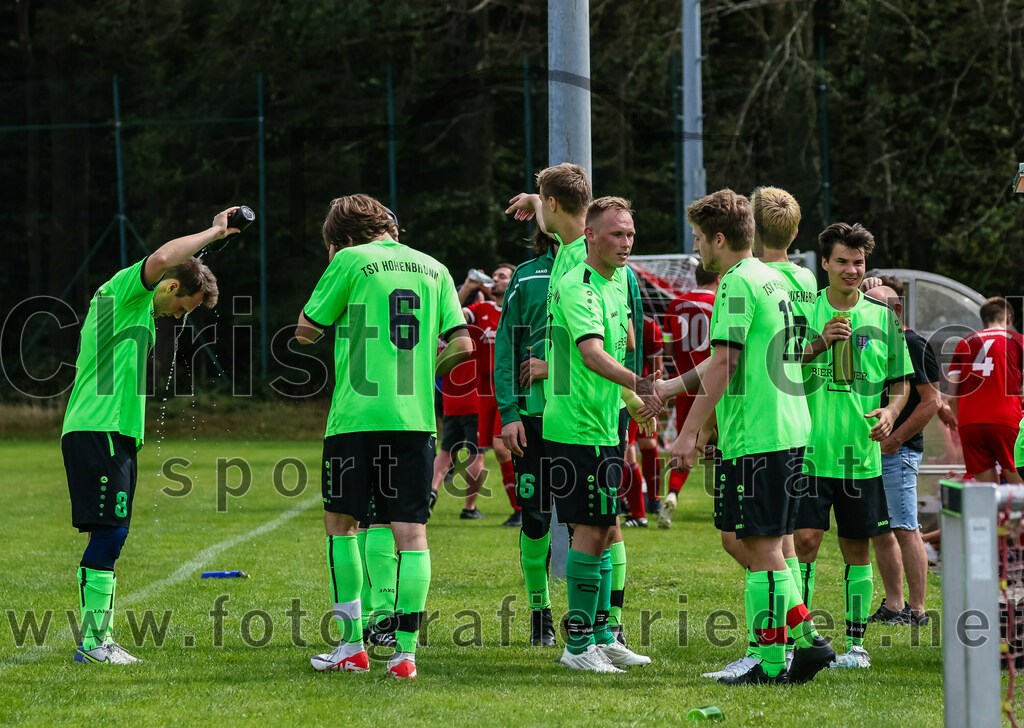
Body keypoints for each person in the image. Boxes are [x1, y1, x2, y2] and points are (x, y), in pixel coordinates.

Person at [295, 194, 472, 680]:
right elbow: (463, 343)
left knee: (342, 525)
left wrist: (335, 269)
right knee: (412, 534)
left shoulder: (349, 259)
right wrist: (421, 375)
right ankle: (405, 656)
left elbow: (305, 333)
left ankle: (351, 647)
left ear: (343, 236)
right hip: (414, 420)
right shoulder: (434, 267)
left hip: (357, 417)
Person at [667, 188, 833, 686]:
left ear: (720, 238)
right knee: (774, 545)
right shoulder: (770, 277)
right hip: (787, 424)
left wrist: (689, 431)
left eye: (699, 239)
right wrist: (670, 388)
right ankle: (795, 652)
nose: (696, 249)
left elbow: (726, 361)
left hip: (760, 431)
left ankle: (784, 654)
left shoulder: (737, 283)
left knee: (760, 547)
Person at [64, 207, 232, 664]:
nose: (179, 317)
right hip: (98, 429)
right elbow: (162, 255)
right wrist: (216, 232)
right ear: (174, 286)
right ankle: (95, 643)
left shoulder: (139, 309)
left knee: (113, 533)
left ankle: (98, 641)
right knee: (110, 534)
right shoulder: (128, 292)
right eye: (183, 307)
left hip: (114, 433)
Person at [794, 222, 913, 671]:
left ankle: (855, 644)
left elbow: (901, 385)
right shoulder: (805, 309)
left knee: (857, 549)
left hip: (858, 456)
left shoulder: (883, 317)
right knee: (803, 541)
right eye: (842, 261)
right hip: (806, 450)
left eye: (858, 262)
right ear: (824, 263)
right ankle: (802, 637)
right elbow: (782, 364)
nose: (851, 269)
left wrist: (890, 412)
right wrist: (821, 341)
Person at [544, 196, 654, 673]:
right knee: (588, 532)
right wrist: (643, 386)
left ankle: (604, 635)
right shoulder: (579, 285)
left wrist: (632, 404)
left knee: (608, 530)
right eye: (616, 234)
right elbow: (591, 355)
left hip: (605, 427)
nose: (626, 243)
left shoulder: (616, 284)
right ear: (590, 235)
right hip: (576, 430)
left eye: (630, 234)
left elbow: (614, 360)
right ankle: (578, 645)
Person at [863, 278, 940, 627]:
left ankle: (918, 609)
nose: (867, 312)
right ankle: (894, 605)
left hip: (900, 451)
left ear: (895, 311)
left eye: (875, 306)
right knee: (882, 529)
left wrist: (897, 438)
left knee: (906, 527)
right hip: (875, 452)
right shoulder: (877, 342)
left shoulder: (911, 341)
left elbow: (932, 402)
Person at [659, 263, 720, 530]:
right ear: (719, 278)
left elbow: (669, 349)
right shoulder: (721, 301)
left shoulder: (676, 305)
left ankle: (672, 493)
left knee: (687, 442)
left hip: (685, 385)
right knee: (725, 444)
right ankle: (724, 502)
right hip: (718, 384)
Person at [462, 263, 521, 526]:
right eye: (494, 275)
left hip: (510, 389)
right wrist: (467, 287)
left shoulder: (516, 309)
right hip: (484, 392)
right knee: (492, 450)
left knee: (503, 447)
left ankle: (522, 507)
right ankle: (520, 509)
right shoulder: (482, 309)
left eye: (502, 276)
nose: (495, 279)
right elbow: (453, 314)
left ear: (511, 283)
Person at [948, 297, 1024, 484]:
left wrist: (962, 423)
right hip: (1006, 419)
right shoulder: (1018, 340)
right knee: (1019, 488)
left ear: (983, 321)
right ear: (1008, 318)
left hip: (969, 422)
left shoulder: (964, 343)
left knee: (986, 493)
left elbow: (950, 397)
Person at [431, 334, 486, 520]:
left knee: (445, 452)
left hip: (450, 402)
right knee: (476, 454)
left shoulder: (440, 334)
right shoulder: (472, 330)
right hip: (474, 402)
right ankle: (469, 508)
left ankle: (431, 490)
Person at [621, 314, 664, 527]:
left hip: (637, 394)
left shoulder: (647, 324)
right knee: (630, 450)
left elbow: (658, 368)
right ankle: (630, 505)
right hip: (624, 391)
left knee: (636, 448)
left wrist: (652, 394)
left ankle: (645, 507)